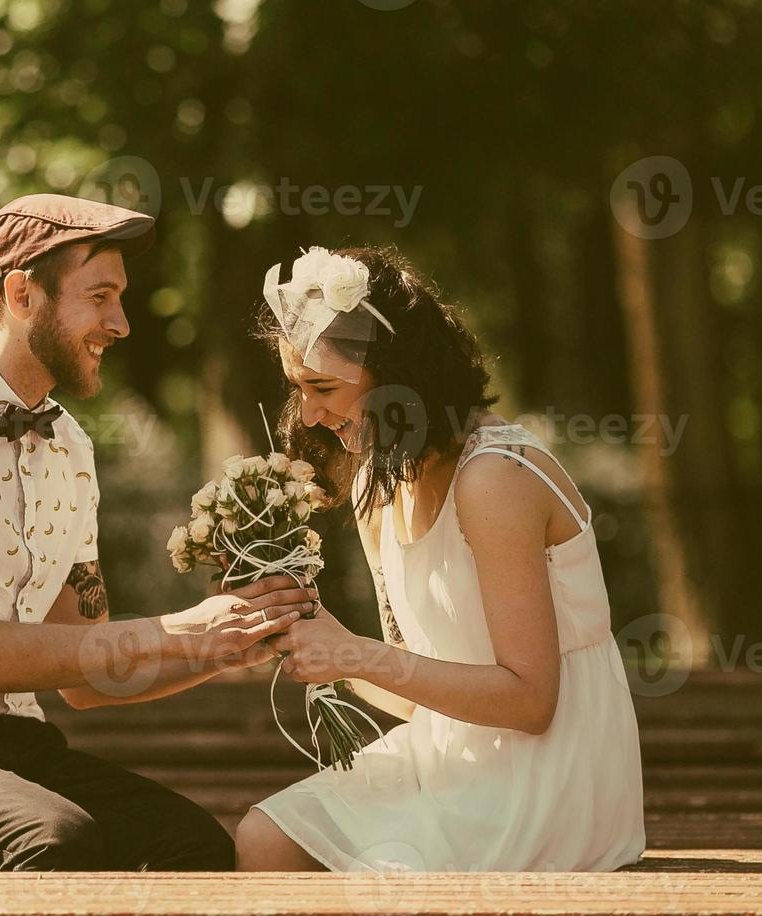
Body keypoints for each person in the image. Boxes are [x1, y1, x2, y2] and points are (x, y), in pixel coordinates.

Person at [0, 194, 312, 872]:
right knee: (53, 844)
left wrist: (222, 649)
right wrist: (178, 630)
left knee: (193, 847)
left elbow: (84, 677)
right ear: (21, 295)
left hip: (17, 747)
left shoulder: (71, 447)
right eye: (99, 297)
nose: (122, 323)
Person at [235, 244, 646, 873]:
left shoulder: (495, 478)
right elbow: (414, 699)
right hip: (453, 754)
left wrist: (356, 654)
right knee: (264, 837)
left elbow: (530, 702)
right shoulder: (382, 478)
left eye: (323, 387)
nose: (311, 413)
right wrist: (313, 640)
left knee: (373, 871)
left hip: (547, 777)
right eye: (300, 389)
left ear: (401, 377)